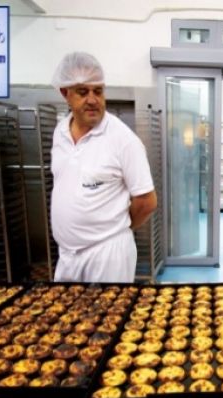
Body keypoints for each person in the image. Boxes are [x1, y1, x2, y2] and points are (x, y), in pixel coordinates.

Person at [50, 51, 157, 282]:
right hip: (67, 255)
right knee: (66, 317)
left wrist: (115, 230)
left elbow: (146, 202)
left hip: (107, 255)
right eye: (82, 92)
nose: (92, 99)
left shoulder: (123, 140)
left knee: (109, 316)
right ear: (65, 93)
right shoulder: (59, 132)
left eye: (98, 91)